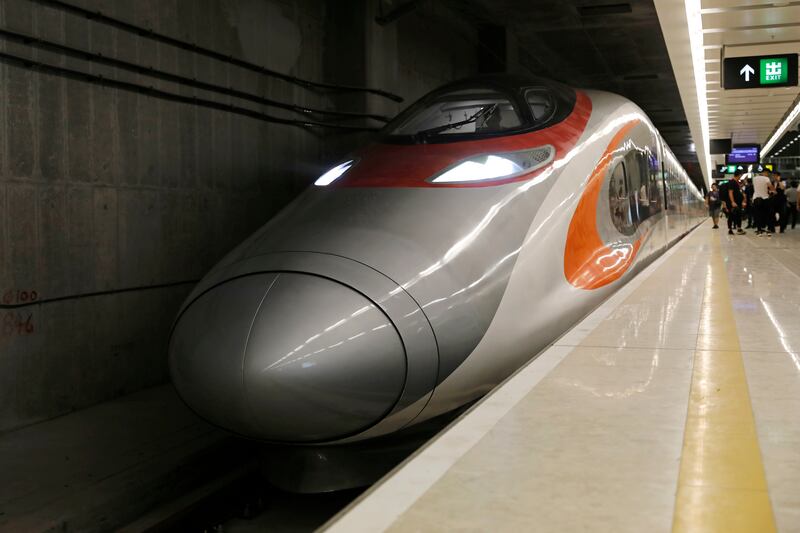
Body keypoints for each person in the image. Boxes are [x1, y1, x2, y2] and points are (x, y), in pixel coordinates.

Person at [752, 168, 774, 236]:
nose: (768, 175)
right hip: (765, 199)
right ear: (765, 172)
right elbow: (771, 187)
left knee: (758, 215)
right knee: (768, 215)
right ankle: (769, 230)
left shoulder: (754, 178)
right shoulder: (766, 178)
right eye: (768, 173)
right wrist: (773, 191)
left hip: (756, 199)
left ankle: (759, 231)